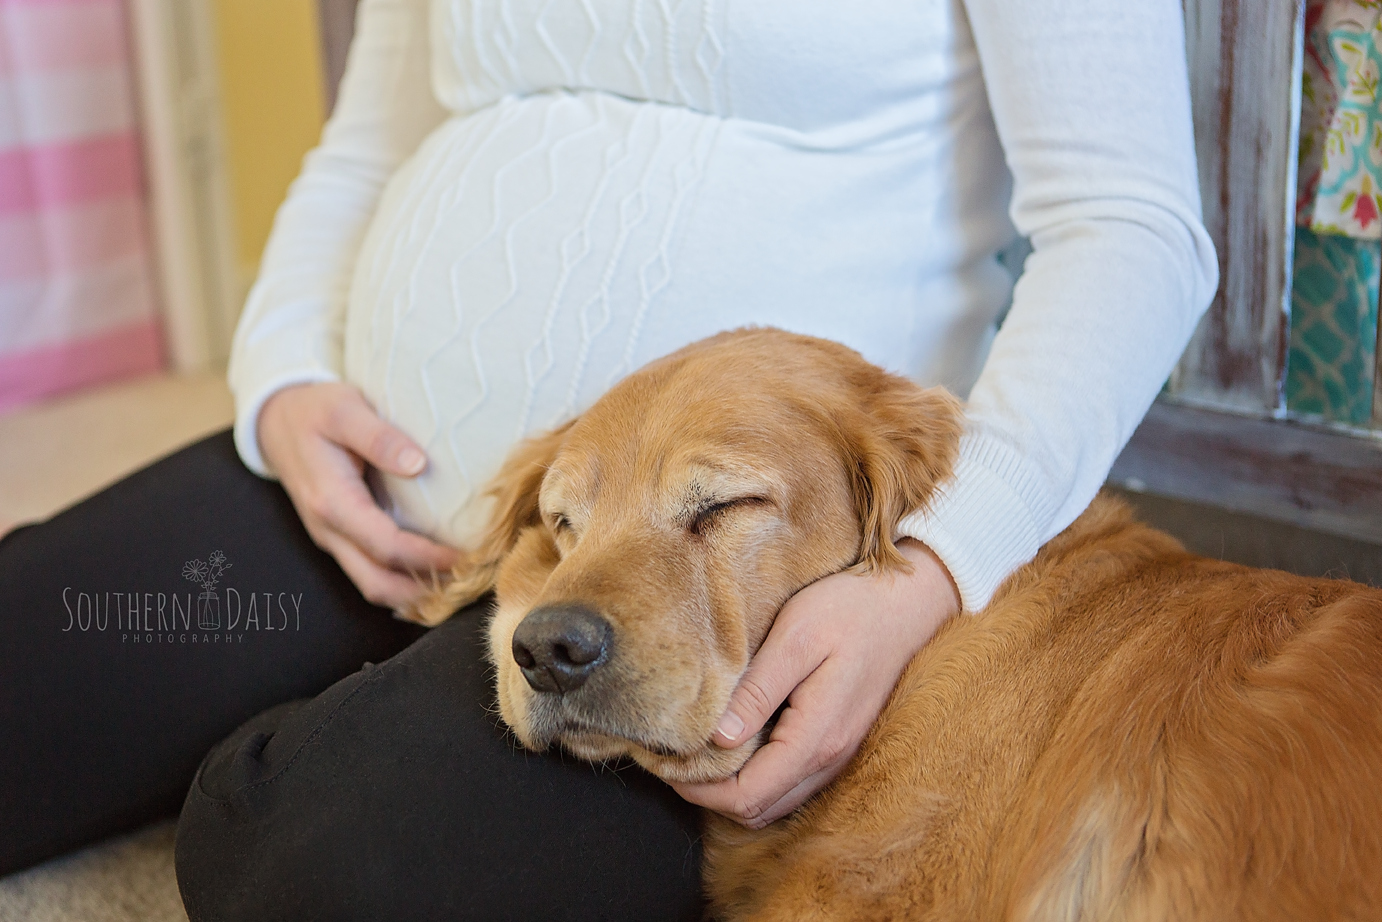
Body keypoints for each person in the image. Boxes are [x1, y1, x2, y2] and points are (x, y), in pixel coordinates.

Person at [0, 0, 1217, 917]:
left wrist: (932, 570)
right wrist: (281, 382)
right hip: (375, 495)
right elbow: (364, 151)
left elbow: (1130, 227)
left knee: (305, 865)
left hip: (734, 576)